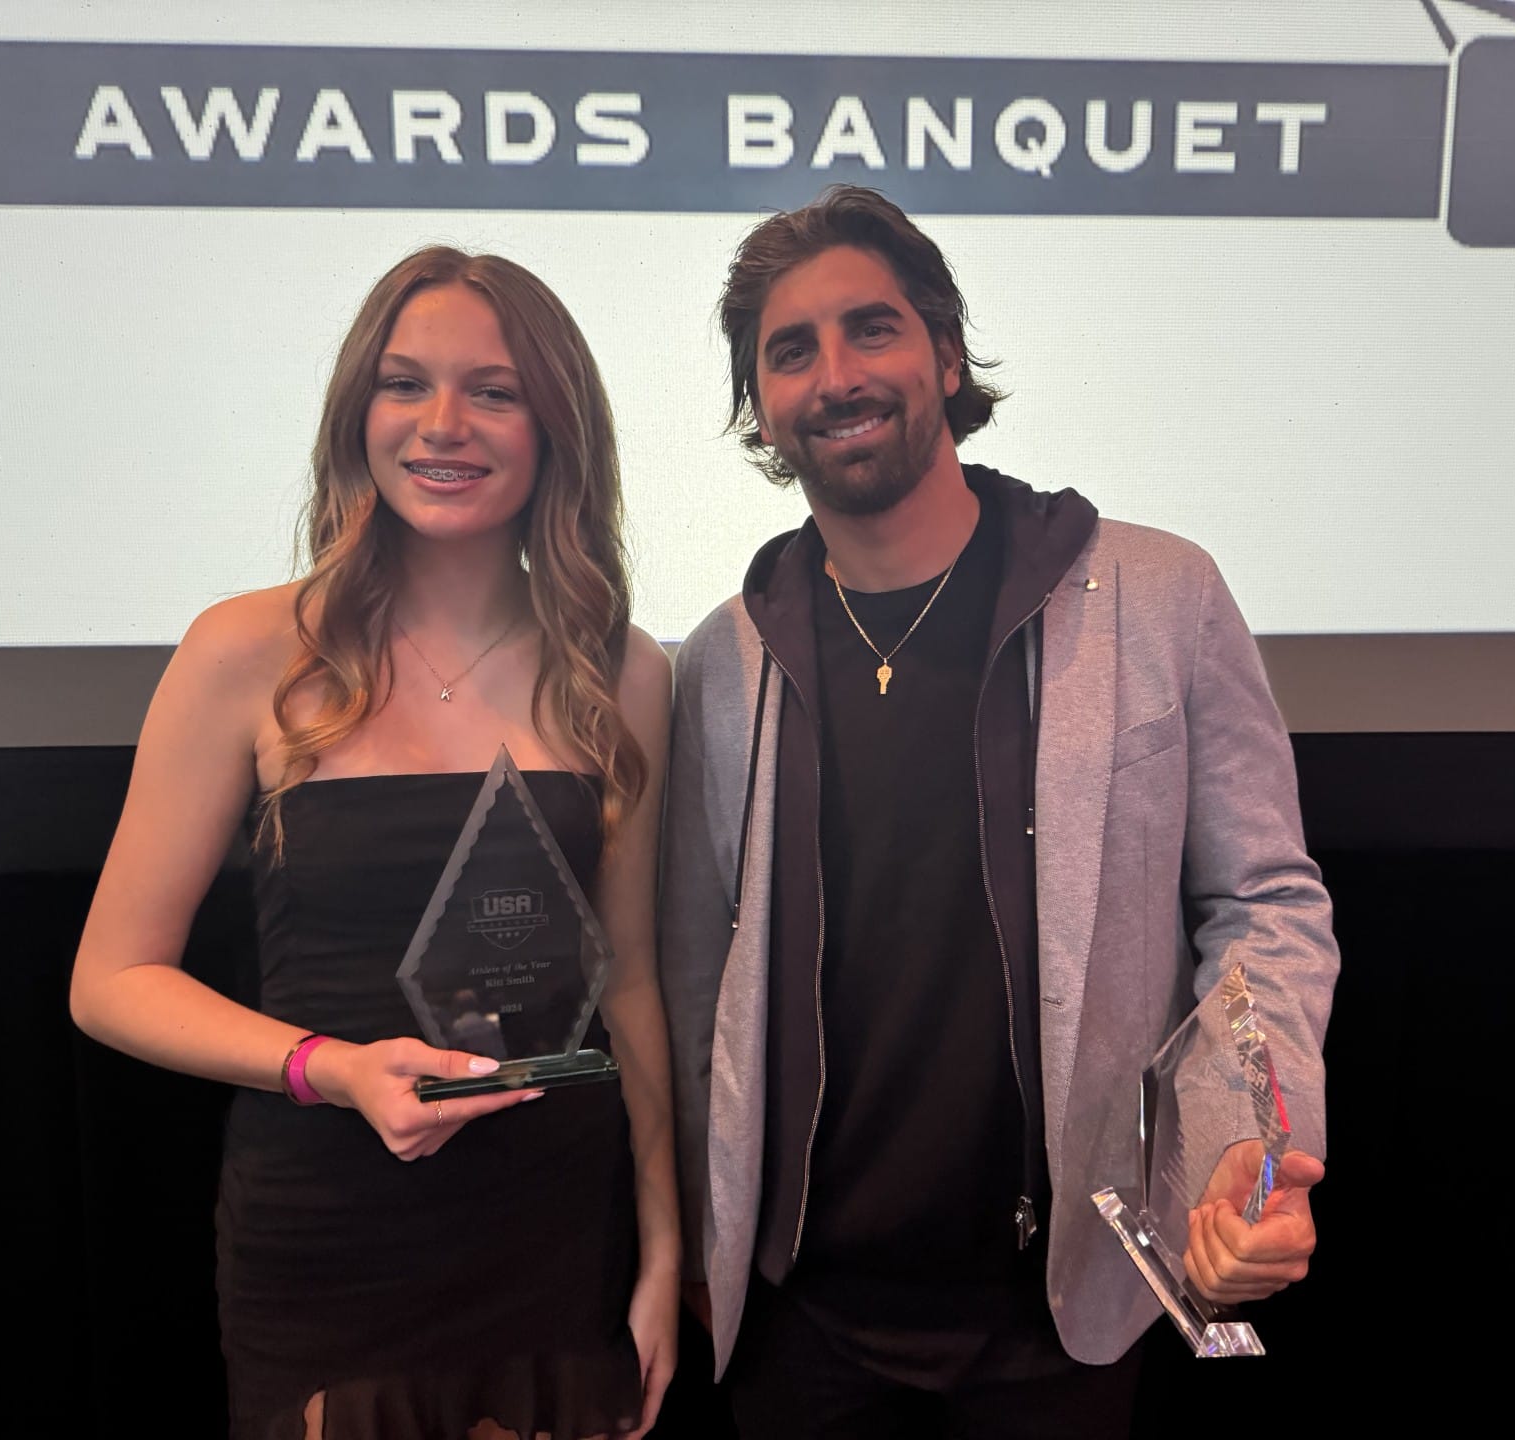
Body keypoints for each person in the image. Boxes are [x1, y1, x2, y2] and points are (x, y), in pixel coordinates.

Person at [659, 185, 1340, 1436]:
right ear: (761, 405)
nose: (836, 375)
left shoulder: (1156, 593)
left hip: (1060, 1313)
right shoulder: (721, 662)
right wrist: (697, 1255)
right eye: (789, 351)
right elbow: (700, 992)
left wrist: (1249, 1134)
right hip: (800, 1325)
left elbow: (1264, 906)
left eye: (873, 329)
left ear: (947, 353)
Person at [70, 246, 678, 1440]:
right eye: (405, 385)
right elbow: (110, 981)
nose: (443, 424)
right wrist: (334, 1070)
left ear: (556, 425)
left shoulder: (624, 669)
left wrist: (664, 1250)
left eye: (493, 391)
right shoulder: (246, 652)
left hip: (555, 1235)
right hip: (332, 1239)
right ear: (359, 415)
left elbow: (636, 987)